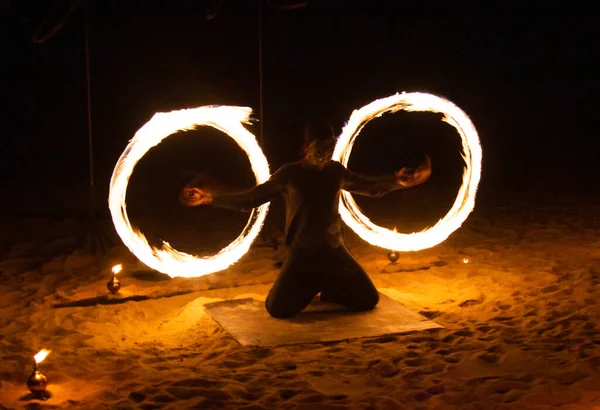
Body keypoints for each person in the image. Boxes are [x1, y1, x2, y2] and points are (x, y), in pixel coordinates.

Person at [179, 122, 432, 318]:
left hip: (335, 251)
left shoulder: (335, 172)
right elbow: (250, 200)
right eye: (319, 146)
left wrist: (398, 181)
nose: (325, 152)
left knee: (368, 300)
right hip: (302, 253)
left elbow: (369, 187)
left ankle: (327, 287)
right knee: (277, 310)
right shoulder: (290, 174)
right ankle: (313, 284)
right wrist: (210, 199)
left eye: (329, 146)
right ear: (306, 148)